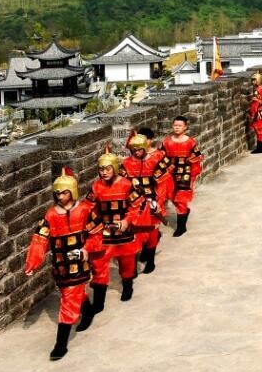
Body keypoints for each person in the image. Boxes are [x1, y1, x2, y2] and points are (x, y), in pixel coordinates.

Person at [25, 167, 105, 359]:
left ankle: (60, 344)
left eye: (64, 192)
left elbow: (96, 233)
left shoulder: (85, 211)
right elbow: (40, 239)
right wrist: (33, 262)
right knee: (72, 294)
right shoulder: (51, 215)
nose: (60, 196)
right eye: (57, 192)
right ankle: (87, 311)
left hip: (79, 264)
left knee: (68, 302)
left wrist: (86, 250)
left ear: (73, 191)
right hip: (60, 266)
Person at [86, 146, 143, 311]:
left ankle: (127, 286)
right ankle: (98, 302)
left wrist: (127, 221)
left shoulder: (126, 185)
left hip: (123, 231)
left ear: (115, 168)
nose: (103, 172)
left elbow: (135, 206)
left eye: (107, 168)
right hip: (104, 232)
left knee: (126, 262)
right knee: (99, 264)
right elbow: (88, 207)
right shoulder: (96, 187)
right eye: (101, 169)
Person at [121, 129, 170, 274]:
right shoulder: (126, 164)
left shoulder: (155, 160)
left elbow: (162, 184)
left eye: (139, 149)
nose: (136, 152)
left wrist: (159, 203)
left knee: (152, 231)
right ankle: (135, 262)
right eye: (133, 150)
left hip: (153, 200)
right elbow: (123, 184)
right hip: (135, 203)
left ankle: (150, 260)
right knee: (137, 233)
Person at [162, 115, 203, 237]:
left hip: (186, 173)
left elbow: (198, 156)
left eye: (179, 125)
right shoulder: (167, 141)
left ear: (185, 127)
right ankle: (184, 211)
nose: (177, 128)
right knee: (172, 196)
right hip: (171, 173)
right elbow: (161, 156)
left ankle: (181, 227)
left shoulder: (190, 142)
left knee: (181, 198)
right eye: (175, 125)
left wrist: (191, 169)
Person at [248, 73, 262, 153]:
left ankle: (260, 148)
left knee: (259, 129)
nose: (253, 82)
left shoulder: (257, 90)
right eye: (252, 80)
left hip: (258, 112)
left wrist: (252, 114)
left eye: (254, 80)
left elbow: (255, 104)